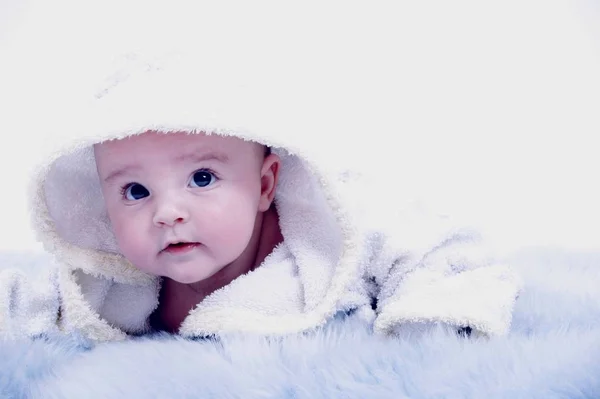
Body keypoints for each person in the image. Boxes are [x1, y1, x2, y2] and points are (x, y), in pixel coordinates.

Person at [0, 30, 521, 342]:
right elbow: (31, 303)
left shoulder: (331, 235)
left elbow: (438, 249)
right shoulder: (109, 281)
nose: (166, 212)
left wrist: (427, 323)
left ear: (266, 184)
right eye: (135, 191)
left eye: (202, 178)